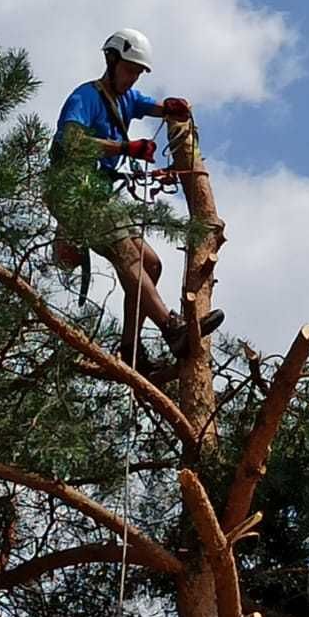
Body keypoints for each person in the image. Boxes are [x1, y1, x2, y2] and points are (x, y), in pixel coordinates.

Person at [48, 28, 224, 371]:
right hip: (74, 189)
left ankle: (130, 350)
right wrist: (124, 148)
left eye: (137, 72)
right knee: (127, 254)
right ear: (111, 61)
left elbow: (150, 106)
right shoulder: (85, 97)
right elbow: (70, 141)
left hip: (98, 192)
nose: (132, 78)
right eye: (129, 69)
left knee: (152, 264)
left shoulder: (126, 98)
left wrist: (171, 108)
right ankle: (173, 329)